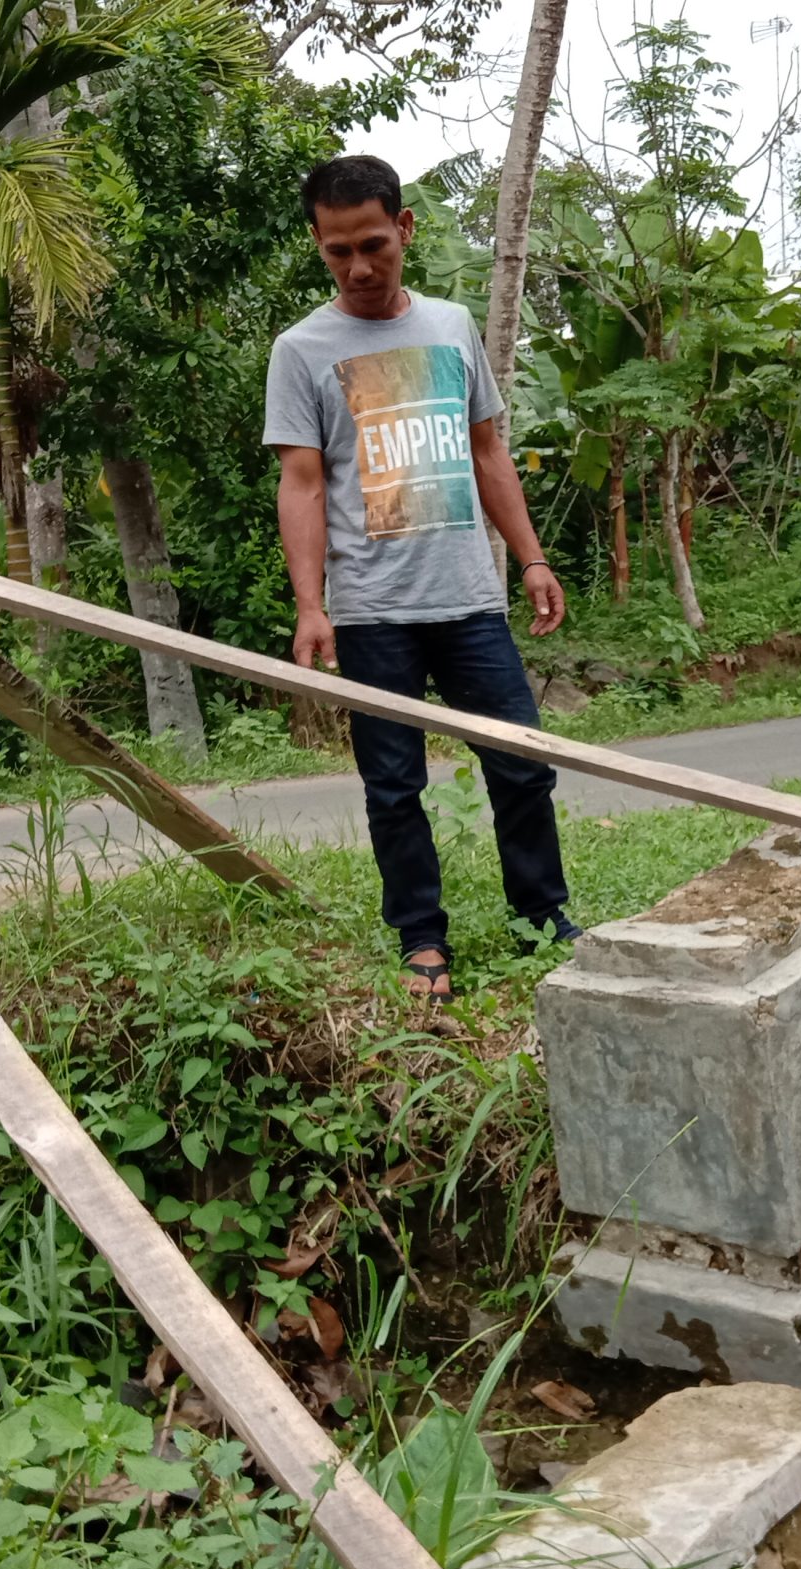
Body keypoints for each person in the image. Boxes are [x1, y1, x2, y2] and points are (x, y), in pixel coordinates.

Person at [264, 153, 578, 1006]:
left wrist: (532, 556)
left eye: (373, 244)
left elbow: (487, 454)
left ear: (404, 229)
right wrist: (311, 605)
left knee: (522, 766)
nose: (359, 268)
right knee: (393, 785)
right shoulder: (302, 350)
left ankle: (543, 921)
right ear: (319, 246)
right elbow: (301, 482)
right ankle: (422, 939)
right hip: (371, 613)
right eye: (337, 252)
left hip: (470, 598)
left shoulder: (451, 326)